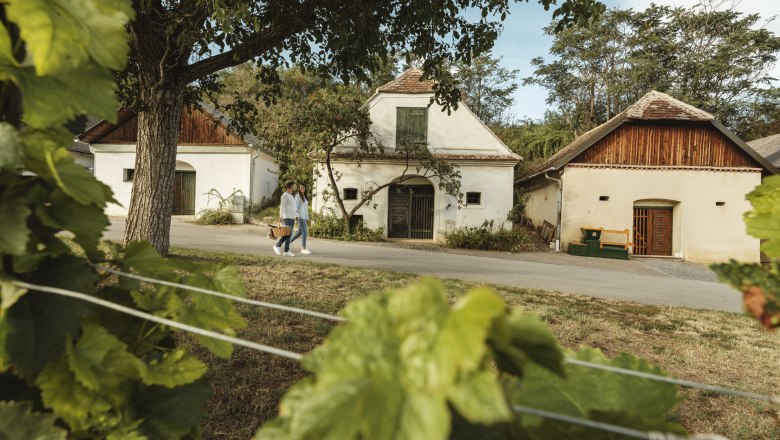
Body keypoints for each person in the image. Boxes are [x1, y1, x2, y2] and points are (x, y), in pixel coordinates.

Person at [273, 182, 297, 257]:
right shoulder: (285, 195)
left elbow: (293, 207)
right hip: (286, 217)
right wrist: (280, 216)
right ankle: (277, 245)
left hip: (291, 217)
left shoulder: (291, 196)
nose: (295, 186)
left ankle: (286, 251)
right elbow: (282, 206)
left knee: (289, 235)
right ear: (290, 187)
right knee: (288, 233)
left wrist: (296, 216)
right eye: (294, 185)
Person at [290, 183, 311, 254]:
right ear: (299, 188)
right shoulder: (297, 196)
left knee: (299, 232)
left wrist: (307, 217)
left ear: (305, 188)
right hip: (300, 217)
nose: (302, 189)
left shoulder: (304, 196)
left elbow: (305, 209)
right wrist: (297, 216)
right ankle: (303, 248)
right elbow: (295, 207)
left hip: (304, 217)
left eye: (303, 187)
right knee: (305, 232)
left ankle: (287, 242)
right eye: (301, 187)